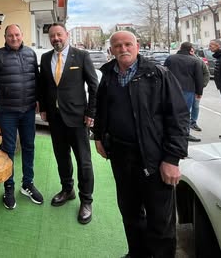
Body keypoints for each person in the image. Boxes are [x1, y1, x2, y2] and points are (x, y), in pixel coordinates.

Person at [93, 31, 188, 258]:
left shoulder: (158, 75)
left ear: (137, 46)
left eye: (127, 44)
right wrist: (98, 136)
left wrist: (172, 159)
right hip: (121, 156)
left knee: (160, 220)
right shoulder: (108, 75)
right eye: (117, 46)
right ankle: (137, 253)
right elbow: (102, 109)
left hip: (153, 157)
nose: (123, 49)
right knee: (130, 212)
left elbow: (178, 117)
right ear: (111, 50)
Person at [38, 23, 98, 224]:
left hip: (78, 118)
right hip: (55, 119)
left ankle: (86, 200)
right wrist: (44, 108)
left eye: (59, 35)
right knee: (62, 157)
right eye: (52, 36)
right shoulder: (45, 58)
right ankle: (67, 189)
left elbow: (94, 86)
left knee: (84, 161)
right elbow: (43, 86)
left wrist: (91, 112)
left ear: (67, 35)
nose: (56, 38)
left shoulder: (81, 56)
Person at [0, 24, 43, 209]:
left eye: (17, 35)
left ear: (22, 35)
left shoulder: (31, 54)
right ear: (5, 38)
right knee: (8, 149)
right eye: (10, 35)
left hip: (28, 110)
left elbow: (36, 79)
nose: (14, 38)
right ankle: (9, 187)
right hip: (7, 111)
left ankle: (27, 184)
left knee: (29, 146)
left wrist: (39, 100)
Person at [164, 42, 204, 142]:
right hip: (188, 89)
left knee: (172, 111)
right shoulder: (195, 60)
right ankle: (185, 134)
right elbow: (199, 78)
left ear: (180, 48)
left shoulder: (170, 58)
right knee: (185, 113)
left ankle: (171, 133)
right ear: (190, 49)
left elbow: (164, 73)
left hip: (172, 88)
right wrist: (199, 92)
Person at [189, 45, 210, 132]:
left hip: (196, 88)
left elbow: (206, 73)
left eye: (192, 51)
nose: (191, 53)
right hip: (186, 88)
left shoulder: (199, 61)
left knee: (195, 106)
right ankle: (185, 124)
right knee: (186, 107)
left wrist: (202, 85)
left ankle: (193, 122)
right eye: (189, 51)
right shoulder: (183, 60)